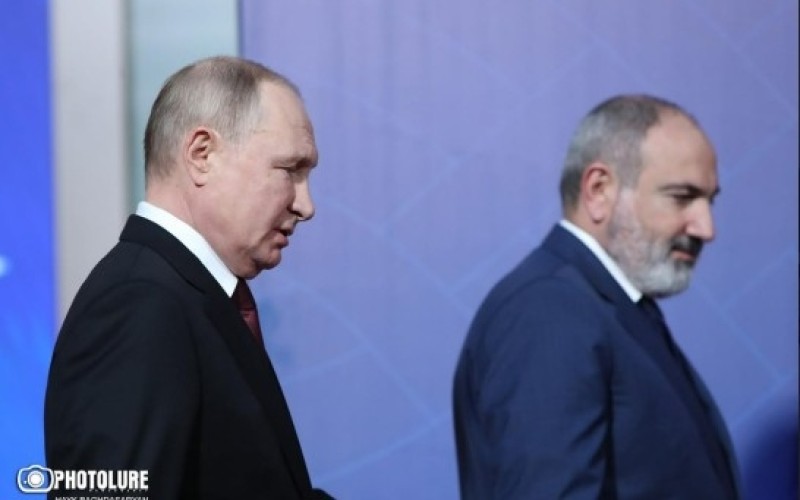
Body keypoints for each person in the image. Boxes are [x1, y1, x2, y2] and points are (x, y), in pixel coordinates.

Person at [45, 56, 333, 499]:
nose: (305, 205)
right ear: (202, 155)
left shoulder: (185, 297)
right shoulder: (140, 305)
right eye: (290, 170)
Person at [453, 94, 740, 499]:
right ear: (599, 190)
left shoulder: (605, 307)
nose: (706, 228)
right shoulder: (550, 312)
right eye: (681, 197)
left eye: (709, 202)